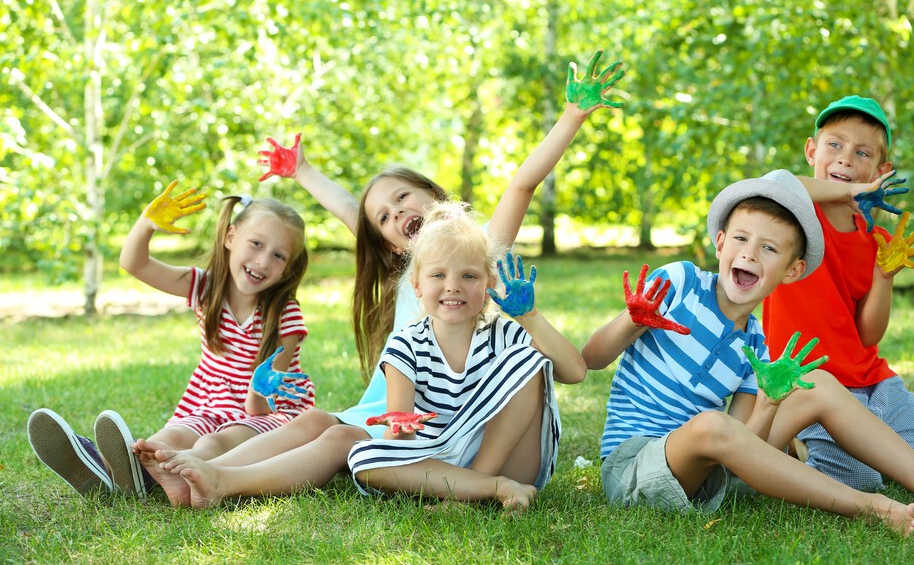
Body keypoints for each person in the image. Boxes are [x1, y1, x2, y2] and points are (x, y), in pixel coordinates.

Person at [133, 49, 626, 506]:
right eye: (385, 219)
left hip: (467, 422)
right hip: (403, 414)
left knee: (336, 437)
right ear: (395, 249)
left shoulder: (481, 253)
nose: (394, 215)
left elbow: (522, 182)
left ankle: (219, 479)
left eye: (402, 199)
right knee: (316, 422)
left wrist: (572, 116)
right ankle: (201, 467)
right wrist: (302, 172)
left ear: (432, 193)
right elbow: (353, 209)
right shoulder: (409, 273)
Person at [583, 169, 914, 535]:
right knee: (709, 425)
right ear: (719, 244)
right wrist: (632, 320)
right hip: (634, 467)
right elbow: (592, 358)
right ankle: (874, 507)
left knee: (818, 384)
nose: (750, 254)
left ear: (792, 271)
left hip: (705, 470)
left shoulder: (756, 344)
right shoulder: (677, 281)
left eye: (769, 248)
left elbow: (743, 446)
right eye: (740, 239)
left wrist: (771, 404)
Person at [163, 203, 586, 510]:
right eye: (438, 275)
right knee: (363, 456)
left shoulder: (506, 333)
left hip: (512, 461)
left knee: (532, 360)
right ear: (417, 285)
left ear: (489, 282)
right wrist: (400, 428)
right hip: (441, 459)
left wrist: (530, 317)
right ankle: (482, 491)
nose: (453, 286)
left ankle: (484, 484)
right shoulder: (406, 344)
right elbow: (397, 437)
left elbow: (576, 371)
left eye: (469, 276)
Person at [27, 185, 314, 498]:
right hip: (211, 399)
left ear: (287, 268)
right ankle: (106, 470)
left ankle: (147, 474)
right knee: (167, 437)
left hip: (264, 413)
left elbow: (261, 404)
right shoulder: (205, 286)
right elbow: (135, 264)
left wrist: (257, 391)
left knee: (211, 444)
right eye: (256, 244)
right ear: (230, 237)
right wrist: (146, 224)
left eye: (278, 255)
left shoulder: (285, 313)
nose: (262, 261)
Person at [761, 95, 914, 490]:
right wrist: (844, 193)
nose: (845, 159)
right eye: (834, 145)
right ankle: (798, 443)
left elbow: (869, 334)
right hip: (810, 384)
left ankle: (868, 444)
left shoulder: (878, 242)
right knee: (861, 481)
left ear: (881, 169)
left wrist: (884, 275)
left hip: (872, 382)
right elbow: (772, 184)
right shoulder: (793, 220)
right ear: (811, 151)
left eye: (861, 153)